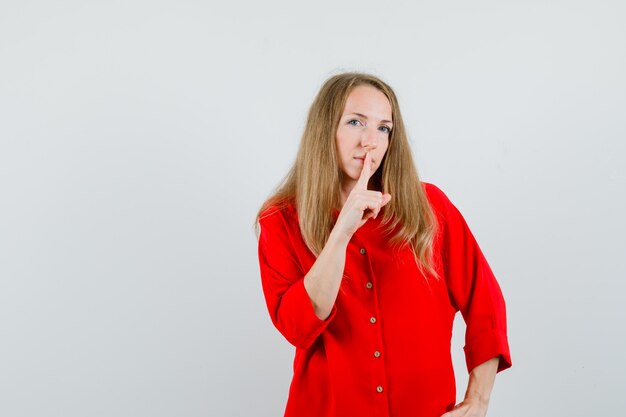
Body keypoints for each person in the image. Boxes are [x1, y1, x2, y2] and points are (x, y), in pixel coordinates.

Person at [255, 72, 511, 417]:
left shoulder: (430, 208)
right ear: (324, 129)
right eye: (355, 122)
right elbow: (297, 327)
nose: (369, 141)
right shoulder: (280, 221)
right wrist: (341, 232)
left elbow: (485, 303)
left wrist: (478, 401)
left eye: (383, 128)